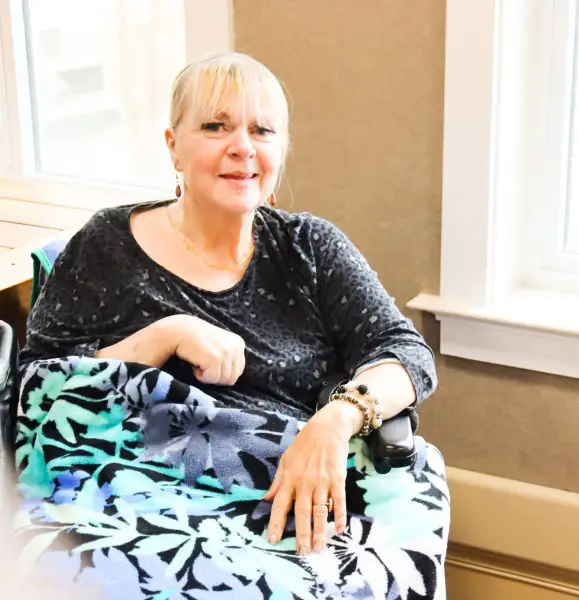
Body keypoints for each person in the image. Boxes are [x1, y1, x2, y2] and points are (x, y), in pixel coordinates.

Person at [19, 51, 437, 558]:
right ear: (173, 147)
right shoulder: (106, 244)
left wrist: (337, 418)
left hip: (295, 494)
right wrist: (164, 334)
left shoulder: (310, 247)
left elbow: (404, 353)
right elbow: (38, 390)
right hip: (138, 502)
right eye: (216, 126)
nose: (243, 148)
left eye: (262, 131)